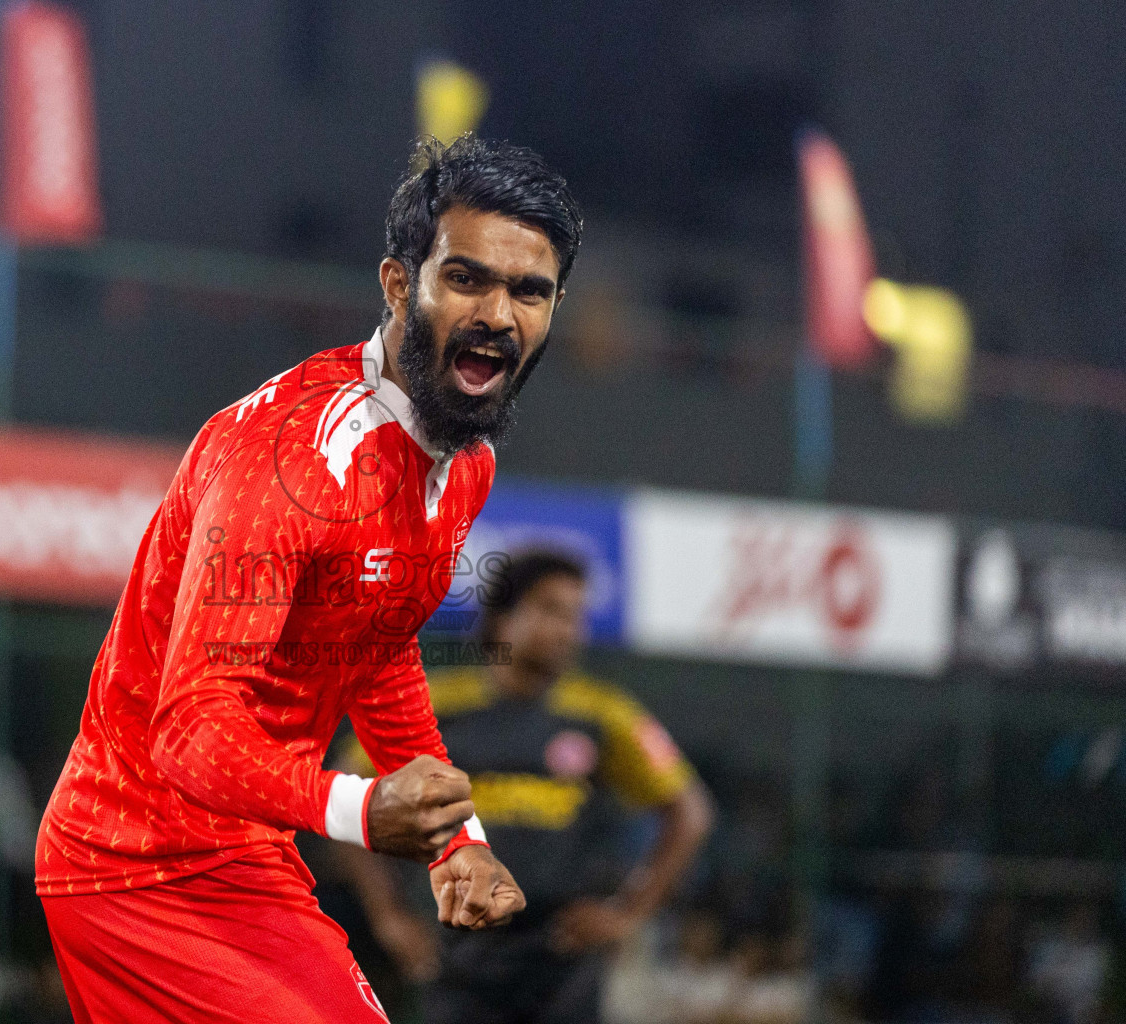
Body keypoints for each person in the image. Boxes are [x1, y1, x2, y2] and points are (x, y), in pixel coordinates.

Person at [36, 134, 583, 1024]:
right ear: (400, 284)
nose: (500, 314)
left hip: (242, 852)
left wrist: (457, 843)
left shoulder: (462, 458)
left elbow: (377, 643)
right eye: (468, 279)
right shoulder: (289, 462)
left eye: (531, 291)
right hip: (132, 865)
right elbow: (189, 730)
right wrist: (366, 811)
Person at [337, 550, 714, 1023]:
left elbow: (690, 814)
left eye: (576, 615)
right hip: (457, 956)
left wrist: (628, 913)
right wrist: (389, 917)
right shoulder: (436, 707)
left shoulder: (603, 715)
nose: (568, 630)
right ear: (502, 618)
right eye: (551, 610)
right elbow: (349, 794)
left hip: (563, 959)